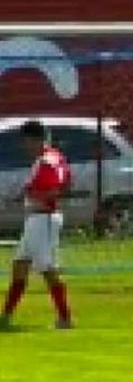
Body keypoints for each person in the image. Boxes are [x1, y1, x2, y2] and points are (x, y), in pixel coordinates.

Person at [1, 120, 73, 330]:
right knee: (20, 265)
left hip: (45, 219)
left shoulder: (47, 160)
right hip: (35, 220)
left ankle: (65, 318)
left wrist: (36, 195)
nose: (25, 146)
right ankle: (5, 317)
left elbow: (58, 187)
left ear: (35, 140)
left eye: (26, 141)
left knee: (48, 269)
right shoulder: (49, 158)